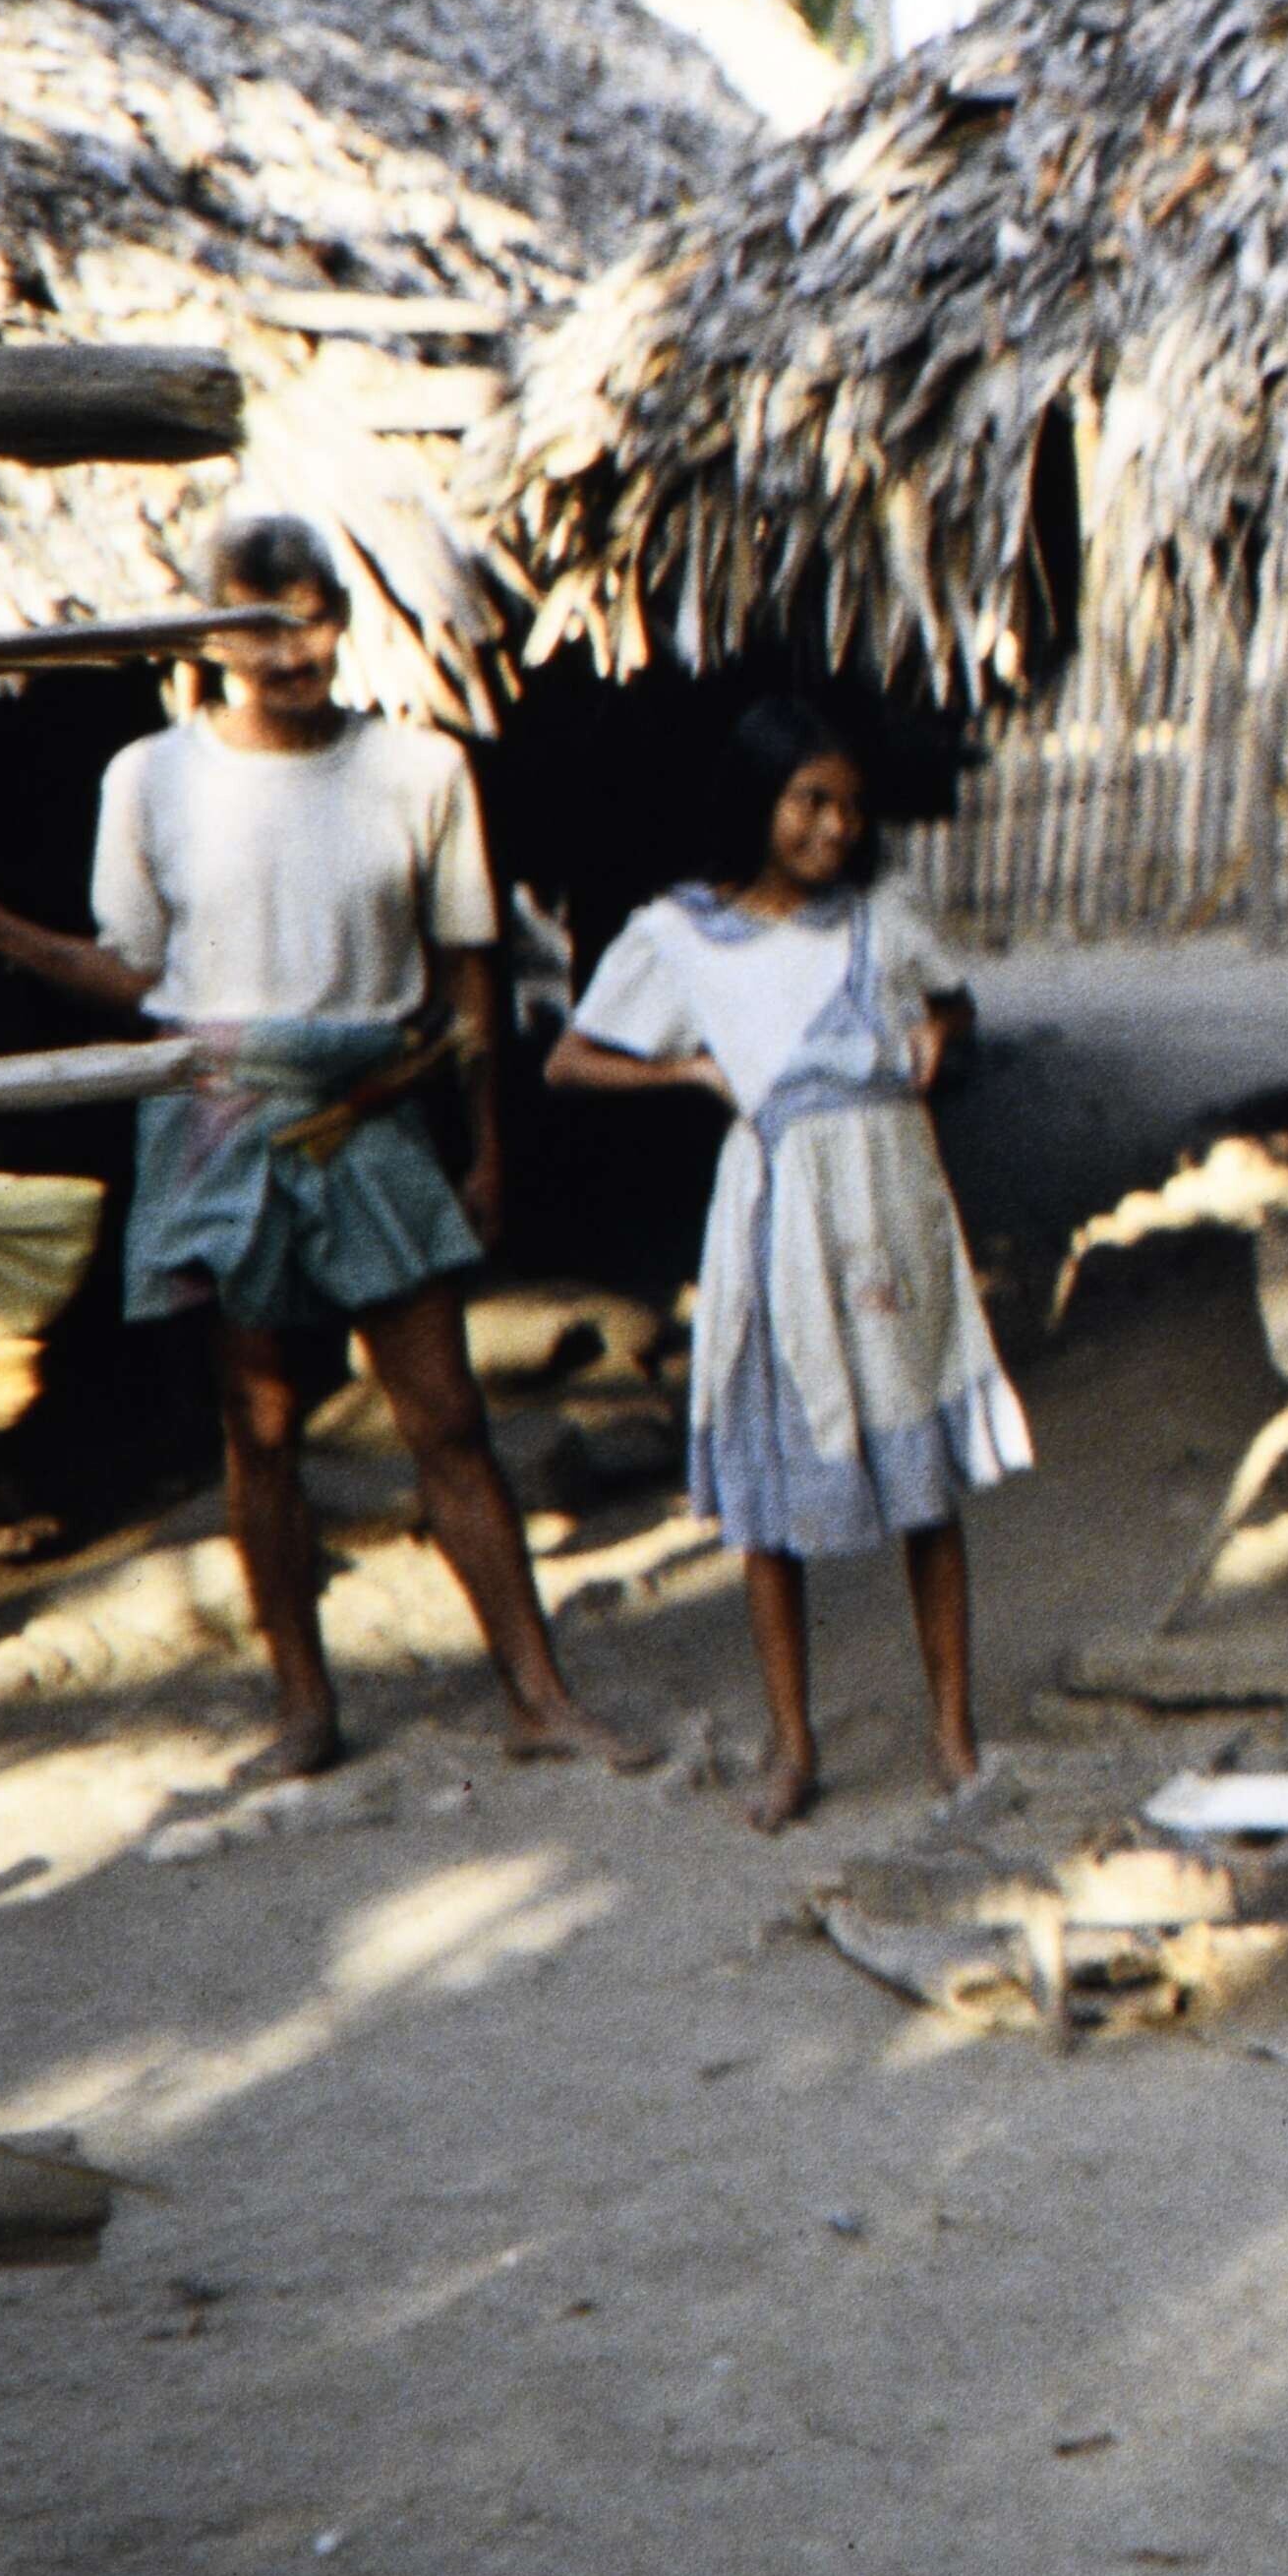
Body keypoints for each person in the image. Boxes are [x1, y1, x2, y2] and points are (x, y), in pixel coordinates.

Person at [0, 512, 652, 1778]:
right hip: (220, 1119)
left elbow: (467, 977)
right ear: (210, 637)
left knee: (447, 1414)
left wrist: (485, 1150)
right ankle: (304, 1711)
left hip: (373, 1108)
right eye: (258, 627)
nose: (290, 653)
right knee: (263, 1426)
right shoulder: (150, 778)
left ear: (344, 622)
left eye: (311, 623)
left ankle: (538, 1695)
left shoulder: (420, 769)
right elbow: (136, 978)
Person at [543, 700, 1031, 1831]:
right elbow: (572, 1059)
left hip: (892, 1212)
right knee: (772, 1496)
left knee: (921, 1477)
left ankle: (952, 1732)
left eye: (851, 806)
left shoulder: (886, 917)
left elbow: (954, 1002)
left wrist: (938, 1036)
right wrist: (690, 1073)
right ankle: (792, 1746)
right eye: (810, 800)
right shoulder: (680, 934)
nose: (835, 827)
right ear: (756, 800)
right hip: (779, 1226)